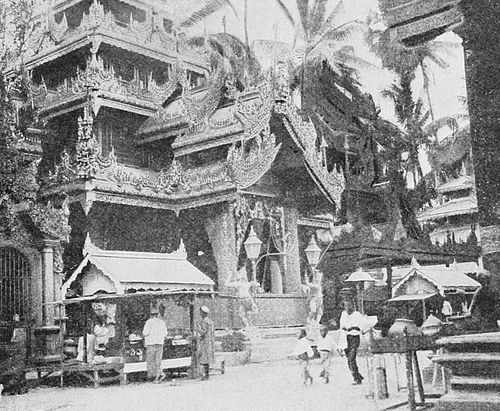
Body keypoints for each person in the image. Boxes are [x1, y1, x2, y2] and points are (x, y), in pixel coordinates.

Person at [339, 300, 365, 385]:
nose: (348, 308)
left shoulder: (357, 315)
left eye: (349, 306)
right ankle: (357, 375)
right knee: (349, 359)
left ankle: (356, 378)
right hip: (345, 338)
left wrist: (353, 327)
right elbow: (341, 327)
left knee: (351, 358)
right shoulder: (343, 314)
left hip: (354, 337)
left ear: (353, 306)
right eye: (346, 306)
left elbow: (361, 327)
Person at [142, 306, 168, 383]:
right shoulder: (162, 322)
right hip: (160, 343)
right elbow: (165, 334)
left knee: (151, 361)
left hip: (151, 343)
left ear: (150, 315)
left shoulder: (149, 322)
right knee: (158, 361)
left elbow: (145, 333)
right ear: (157, 314)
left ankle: (153, 377)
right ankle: (159, 375)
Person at [198, 306, 215, 380]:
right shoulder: (210, 321)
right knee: (207, 359)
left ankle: (204, 375)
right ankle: (207, 374)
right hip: (210, 341)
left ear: (203, 313)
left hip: (205, 342)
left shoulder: (204, 321)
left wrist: (198, 328)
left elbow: (203, 332)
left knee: (204, 358)